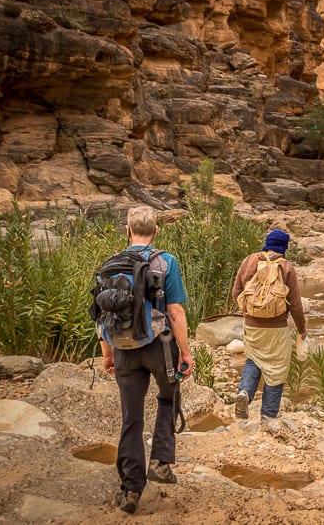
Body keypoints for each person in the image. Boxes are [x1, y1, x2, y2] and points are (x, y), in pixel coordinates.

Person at [100, 205, 194, 514]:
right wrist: (186, 352)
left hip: (125, 349)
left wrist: (108, 353)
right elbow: (176, 312)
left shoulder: (111, 265)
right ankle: (161, 463)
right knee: (168, 398)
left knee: (131, 417)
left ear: (128, 230)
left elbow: (102, 316)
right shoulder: (166, 261)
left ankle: (130, 489)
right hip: (158, 346)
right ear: (155, 231)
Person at [231, 228, 307, 422]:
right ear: (284, 247)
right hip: (277, 327)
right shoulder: (286, 267)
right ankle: (268, 415)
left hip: (252, 325)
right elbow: (295, 304)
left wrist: (248, 312)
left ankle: (245, 392)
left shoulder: (249, 261)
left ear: (267, 242)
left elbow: (236, 291)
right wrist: (301, 329)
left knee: (253, 359)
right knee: (276, 368)